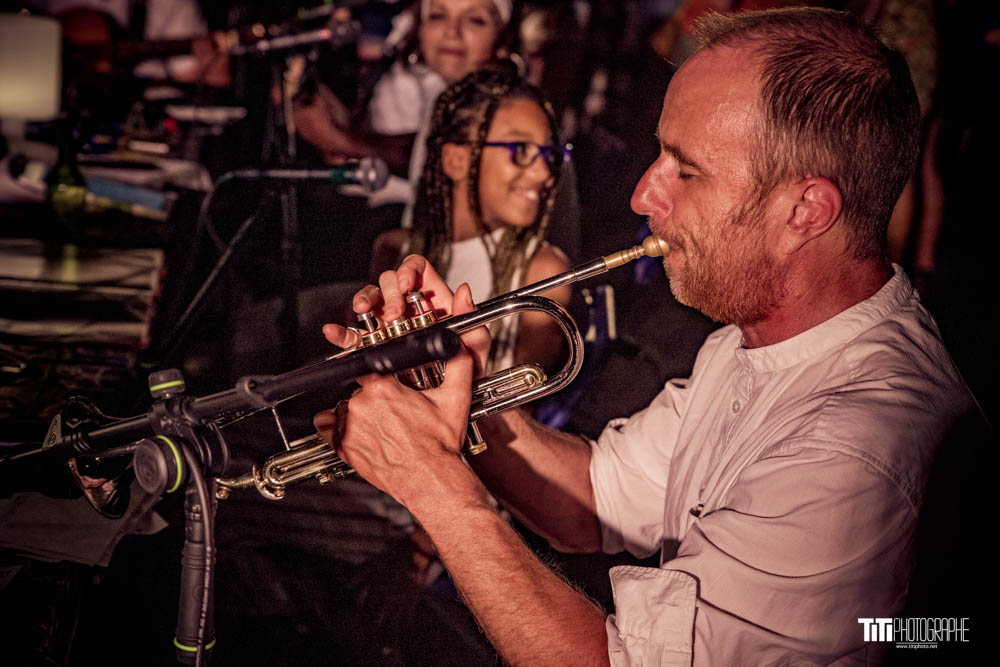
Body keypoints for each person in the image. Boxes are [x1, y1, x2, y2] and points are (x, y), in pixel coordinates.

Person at [316, 7, 983, 665]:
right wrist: (466, 399)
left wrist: (435, 484)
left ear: (804, 210)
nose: (641, 196)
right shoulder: (754, 341)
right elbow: (595, 498)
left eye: (683, 168)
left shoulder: (852, 446)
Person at [368, 68, 572, 372]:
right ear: (456, 160)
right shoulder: (394, 248)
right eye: (520, 150)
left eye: (548, 154)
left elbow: (518, 413)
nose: (544, 174)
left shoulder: (543, 271)